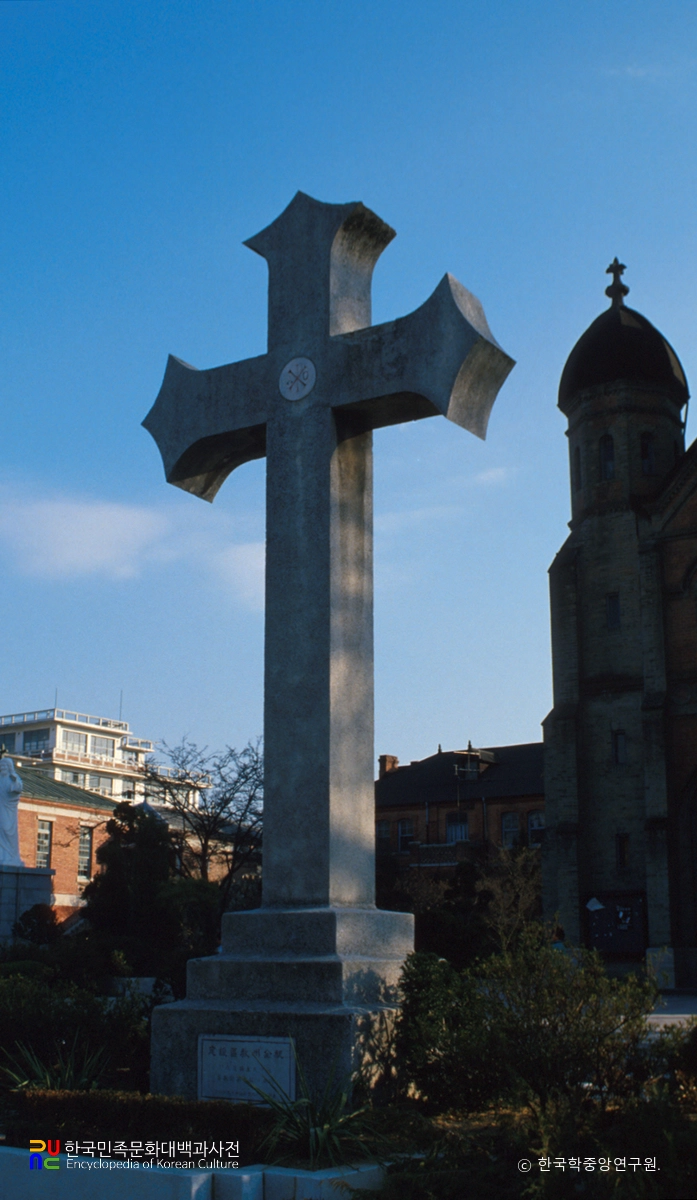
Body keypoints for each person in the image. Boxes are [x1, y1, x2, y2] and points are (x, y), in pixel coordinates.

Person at [0, 751, 24, 866]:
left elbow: (17, 789)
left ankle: (11, 856)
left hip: (7, 810)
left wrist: (14, 780)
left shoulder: (13, 778)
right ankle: (2, 854)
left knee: (6, 830)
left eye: (5, 766)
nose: (2, 768)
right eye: (1, 766)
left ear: (9, 767)